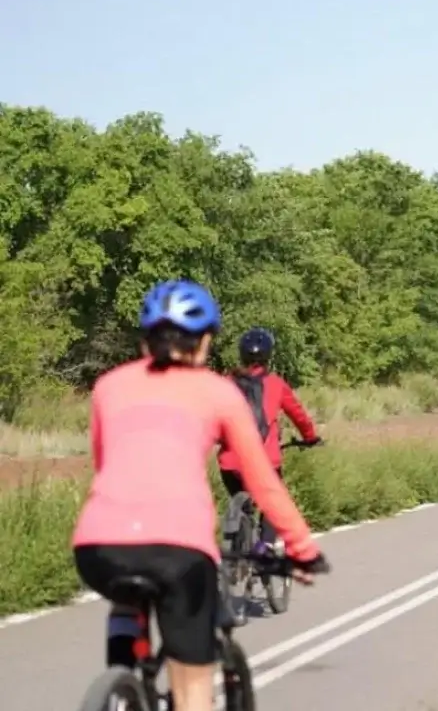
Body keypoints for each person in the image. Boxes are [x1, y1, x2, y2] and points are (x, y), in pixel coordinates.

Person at [71, 280, 328, 711]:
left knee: (125, 595)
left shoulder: (108, 386)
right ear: (204, 341)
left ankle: (123, 679)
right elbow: (263, 481)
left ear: (144, 338)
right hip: (179, 552)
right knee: (193, 688)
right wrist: (301, 547)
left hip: (98, 546)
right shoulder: (216, 391)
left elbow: (105, 463)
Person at [219, 327, 322, 560]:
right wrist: (310, 436)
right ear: (268, 356)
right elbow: (298, 415)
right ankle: (263, 547)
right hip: (265, 462)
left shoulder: (226, 383)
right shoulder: (276, 384)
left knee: (239, 494)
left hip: (231, 464)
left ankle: (237, 543)